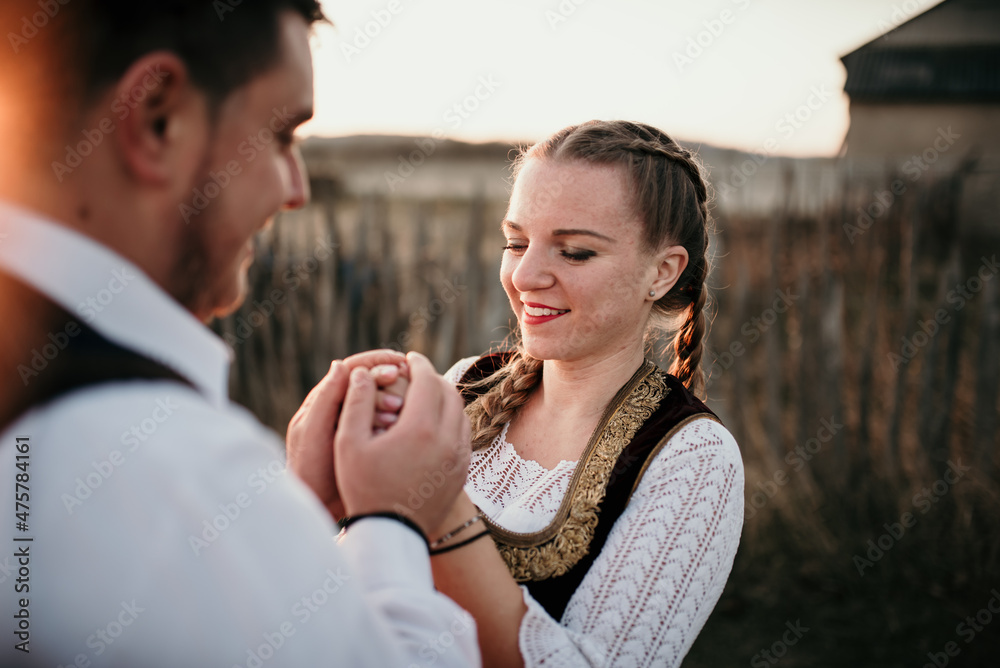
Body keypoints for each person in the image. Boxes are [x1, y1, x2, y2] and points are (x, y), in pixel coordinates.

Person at [0, 2, 478, 666]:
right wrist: (390, 522)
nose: (297, 190)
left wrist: (292, 520)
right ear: (156, 118)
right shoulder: (162, 465)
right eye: (282, 135)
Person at [427, 120, 745, 667]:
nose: (525, 276)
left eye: (573, 252)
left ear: (662, 272)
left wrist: (434, 515)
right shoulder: (461, 385)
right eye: (516, 242)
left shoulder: (690, 459)